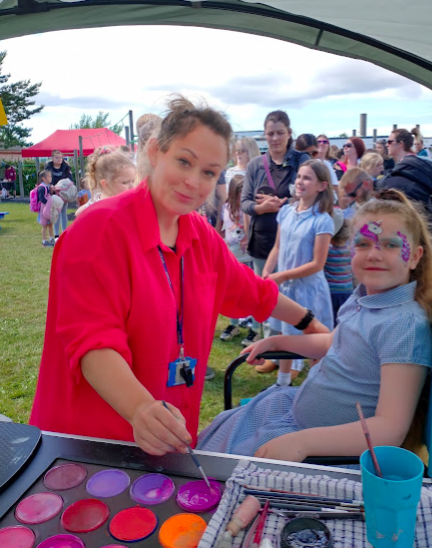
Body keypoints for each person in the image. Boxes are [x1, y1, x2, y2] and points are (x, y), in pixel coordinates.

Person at [29, 95, 328, 456]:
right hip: (89, 446)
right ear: (155, 152)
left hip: (164, 444)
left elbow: (254, 291)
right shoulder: (98, 229)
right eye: (184, 162)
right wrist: (140, 408)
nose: (193, 181)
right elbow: (93, 343)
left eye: (209, 172)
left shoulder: (199, 235)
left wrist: (313, 326)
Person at [197, 189, 432, 461]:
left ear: (415, 256)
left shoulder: (403, 326)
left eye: (390, 245)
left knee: (221, 466)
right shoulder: (365, 298)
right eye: (363, 244)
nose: (373, 254)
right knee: (216, 444)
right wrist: (277, 341)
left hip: (324, 451)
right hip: (293, 415)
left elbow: (389, 429)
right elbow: (332, 342)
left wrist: (302, 443)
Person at [260, 160, 335, 380]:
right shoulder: (286, 212)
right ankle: (282, 382)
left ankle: (317, 382)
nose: (300, 182)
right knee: (286, 333)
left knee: (313, 337)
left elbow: (317, 263)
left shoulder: (322, 220)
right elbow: (278, 246)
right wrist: (267, 272)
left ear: (321, 186)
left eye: (307, 178)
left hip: (309, 290)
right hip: (286, 288)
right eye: (299, 177)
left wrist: (283, 275)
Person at [241, 110, 310, 347]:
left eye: (280, 133)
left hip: (296, 243)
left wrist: (286, 204)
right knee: (267, 298)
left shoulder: (302, 161)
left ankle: (295, 350)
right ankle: (271, 349)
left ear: (289, 133)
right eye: (270, 134)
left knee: (295, 298)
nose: (275, 138)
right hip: (263, 242)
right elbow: (245, 202)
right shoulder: (255, 165)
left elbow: (314, 196)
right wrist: (262, 209)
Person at [381, 128, 432, 250]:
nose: (386, 145)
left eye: (390, 141)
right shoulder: (416, 163)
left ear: (400, 144)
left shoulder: (410, 167)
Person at [219, 175, 253, 341]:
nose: (245, 195)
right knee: (232, 293)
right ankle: (233, 324)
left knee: (250, 291)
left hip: (248, 257)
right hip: (232, 257)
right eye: (241, 192)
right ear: (233, 192)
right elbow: (222, 228)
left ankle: (253, 324)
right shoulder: (226, 208)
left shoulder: (249, 208)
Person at [75, 146, 136, 217]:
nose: (132, 187)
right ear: (106, 184)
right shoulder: (97, 204)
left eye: (133, 181)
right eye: (125, 182)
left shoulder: (127, 200)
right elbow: (78, 213)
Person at [324, 218, 353, 325]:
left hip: (331, 291)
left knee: (330, 321)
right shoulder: (350, 251)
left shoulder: (327, 251)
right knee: (344, 320)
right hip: (347, 290)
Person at [45, 150, 73, 239]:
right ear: (52, 158)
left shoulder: (66, 167)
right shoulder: (48, 168)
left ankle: (65, 233)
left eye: (60, 157)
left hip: (63, 193)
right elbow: (45, 179)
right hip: (53, 194)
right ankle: (56, 235)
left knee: (63, 212)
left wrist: (61, 186)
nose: (59, 159)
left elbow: (70, 180)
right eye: (57, 157)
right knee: (56, 212)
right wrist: (50, 186)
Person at [36, 170, 54, 247]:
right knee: (44, 225)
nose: (50, 178)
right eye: (49, 177)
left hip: (48, 209)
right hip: (43, 210)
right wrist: (49, 202)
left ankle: (51, 238)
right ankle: (44, 241)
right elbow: (42, 199)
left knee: (50, 224)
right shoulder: (41, 188)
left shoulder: (47, 187)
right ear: (43, 178)